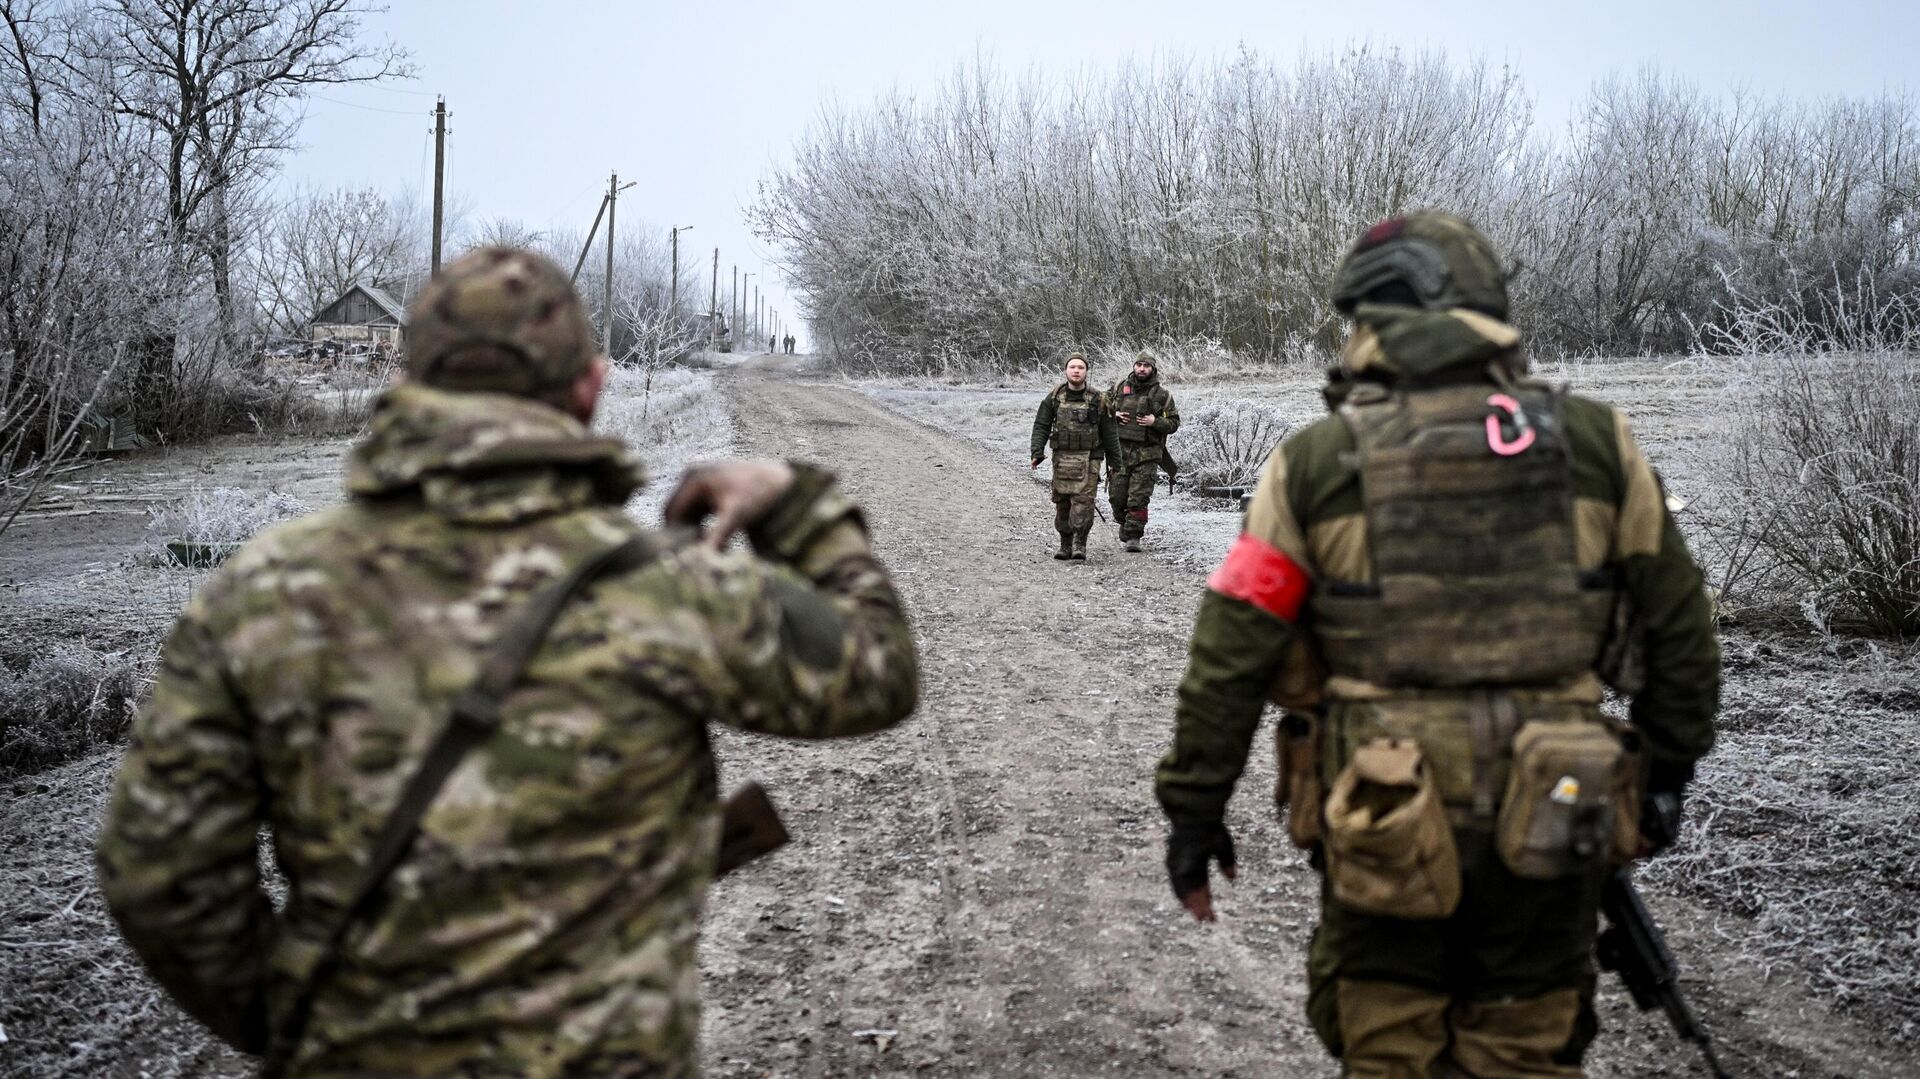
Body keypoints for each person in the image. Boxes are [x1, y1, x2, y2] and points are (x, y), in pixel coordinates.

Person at [96, 247, 920, 1078]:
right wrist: (799, 503)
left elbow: (160, 875)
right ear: (591, 388)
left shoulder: (263, 591)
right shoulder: (666, 588)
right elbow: (877, 669)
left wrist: (311, 1020)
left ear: (407, 385)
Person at [1154, 213, 1719, 1078]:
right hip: (1560, 809)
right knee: (1529, 1049)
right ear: (1482, 308)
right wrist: (1665, 782)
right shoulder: (1600, 446)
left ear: (1376, 320)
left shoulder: (1312, 463)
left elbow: (1231, 652)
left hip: (1382, 819)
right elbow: (1682, 635)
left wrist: (1197, 809)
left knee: (1387, 1039)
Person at [1030, 351, 1122, 560]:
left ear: (1086, 371)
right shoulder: (1054, 398)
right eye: (1072, 367)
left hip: (1090, 457)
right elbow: (1041, 426)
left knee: (1084, 501)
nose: (1076, 371)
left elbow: (1110, 432)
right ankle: (1065, 543)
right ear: (1066, 371)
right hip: (1062, 458)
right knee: (1062, 501)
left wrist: (1115, 462)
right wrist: (1037, 452)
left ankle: (1080, 543)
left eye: (1081, 367)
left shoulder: (1098, 399)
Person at [1106, 352, 1180, 553]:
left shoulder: (1162, 395)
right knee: (1117, 497)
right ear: (1134, 366)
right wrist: (1113, 414)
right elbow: (1100, 408)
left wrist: (1155, 422)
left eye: (1146, 366)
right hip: (1120, 452)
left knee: (1138, 498)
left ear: (1153, 369)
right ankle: (1125, 523)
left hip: (1147, 454)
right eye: (1138, 364)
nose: (1141, 369)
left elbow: (1174, 423)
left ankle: (1133, 536)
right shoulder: (1119, 388)